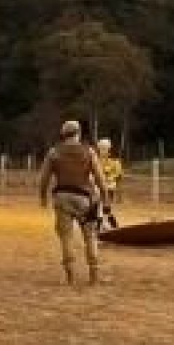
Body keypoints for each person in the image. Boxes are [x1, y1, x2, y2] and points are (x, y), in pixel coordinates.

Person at [38, 120, 109, 285]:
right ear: (78, 133)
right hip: (84, 198)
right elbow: (99, 178)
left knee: (66, 237)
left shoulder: (54, 152)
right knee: (90, 236)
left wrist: (43, 197)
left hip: (62, 197)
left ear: (63, 134)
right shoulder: (88, 152)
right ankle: (94, 275)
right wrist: (105, 198)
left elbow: (44, 178)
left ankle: (70, 276)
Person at [95, 138, 123, 229]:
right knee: (100, 208)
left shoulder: (114, 161)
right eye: (101, 148)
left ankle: (108, 227)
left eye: (105, 148)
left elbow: (118, 174)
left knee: (104, 208)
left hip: (109, 187)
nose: (103, 150)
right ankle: (105, 227)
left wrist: (110, 178)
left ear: (109, 148)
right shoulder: (96, 160)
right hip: (97, 188)